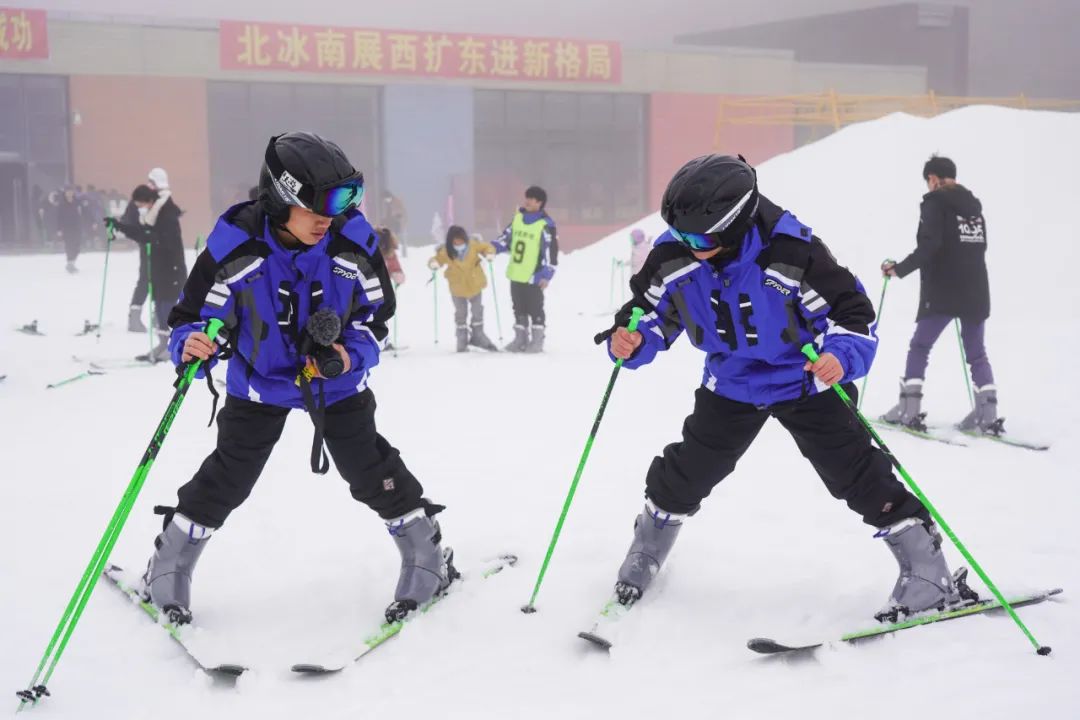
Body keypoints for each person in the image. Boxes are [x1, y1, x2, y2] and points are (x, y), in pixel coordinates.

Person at [603, 154, 973, 623]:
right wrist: (630, 341)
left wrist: (840, 356)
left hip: (805, 379)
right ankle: (647, 549)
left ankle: (927, 570)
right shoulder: (675, 253)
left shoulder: (794, 254)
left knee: (855, 473)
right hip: (732, 380)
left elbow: (852, 316)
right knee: (688, 470)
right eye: (678, 233)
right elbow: (649, 313)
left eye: (698, 238)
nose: (684, 245)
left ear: (734, 226)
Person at [136, 132, 452, 627]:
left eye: (344, 201)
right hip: (259, 380)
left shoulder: (351, 243)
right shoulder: (235, 246)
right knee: (229, 476)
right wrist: (193, 344)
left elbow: (376, 317)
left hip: (335, 381)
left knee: (368, 467)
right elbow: (192, 317)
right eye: (317, 206)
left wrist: (350, 354)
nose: (329, 217)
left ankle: (426, 556)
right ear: (282, 198)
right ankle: (170, 561)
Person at [880, 156, 998, 435]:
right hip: (977, 290)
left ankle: (910, 411)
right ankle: (988, 414)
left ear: (933, 178)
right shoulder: (973, 207)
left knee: (920, 346)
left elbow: (929, 245)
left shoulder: (934, 203)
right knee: (977, 353)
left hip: (944, 291)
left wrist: (899, 269)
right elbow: (978, 247)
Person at [108, 183, 188, 361]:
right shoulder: (153, 216)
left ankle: (172, 346)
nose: (140, 209)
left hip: (172, 271)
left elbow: (169, 242)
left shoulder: (166, 215)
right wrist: (119, 226)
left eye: (141, 205)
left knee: (167, 308)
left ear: (150, 201)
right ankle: (162, 344)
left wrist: (156, 240)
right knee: (159, 309)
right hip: (158, 270)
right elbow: (143, 234)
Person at [491, 185, 558, 353]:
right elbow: (506, 239)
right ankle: (520, 338)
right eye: (526, 197)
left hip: (534, 276)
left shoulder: (545, 225)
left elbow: (551, 251)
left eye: (531, 199)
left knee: (535, 308)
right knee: (518, 307)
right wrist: (493, 248)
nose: (527, 201)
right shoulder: (518, 218)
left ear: (539, 203)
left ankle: (537, 340)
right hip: (516, 272)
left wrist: (547, 274)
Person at [427, 225, 498, 352]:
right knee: (460, 313)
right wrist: (434, 263)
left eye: (461, 240)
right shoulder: (446, 251)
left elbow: (487, 247)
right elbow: (437, 259)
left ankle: (478, 336)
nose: (459, 243)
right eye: (455, 241)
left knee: (477, 310)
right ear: (450, 241)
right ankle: (462, 339)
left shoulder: (474, 245)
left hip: (475, 284)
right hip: (457, 288)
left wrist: (489, 253)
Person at [55, 187, 82, 273]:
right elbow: (59, 217)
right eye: (68, 192)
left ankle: (72, 262)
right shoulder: (62, 204)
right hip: (66, 228)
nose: (70, 193)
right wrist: (59, 229)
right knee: (69, 245)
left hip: (77, 227)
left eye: (71, 191)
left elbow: (81, 213)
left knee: (77, 246)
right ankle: (70, 263)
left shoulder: (77, 202)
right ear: (65, 193)